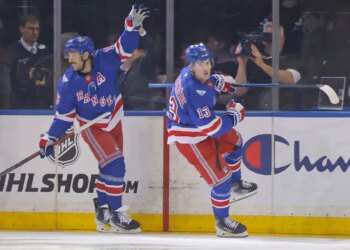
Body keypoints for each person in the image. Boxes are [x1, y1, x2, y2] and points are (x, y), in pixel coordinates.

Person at [38, 4, 150, 233]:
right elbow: (63, 118)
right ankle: (117, 214)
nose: (69, 58)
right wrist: (50, 137)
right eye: (67, 54)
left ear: (86, 54)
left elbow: (125, 48)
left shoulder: (105, 59)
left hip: (114, 119)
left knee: (107, 166)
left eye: (73, 54)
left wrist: (131, 26)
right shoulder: (68, 83)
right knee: (116, 163)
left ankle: (102, 211)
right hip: (93, 127)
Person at [166, 43, 258, 238]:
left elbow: (205, 84)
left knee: (236, 142)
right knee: (220, 181)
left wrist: (216, 81)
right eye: (200, 64)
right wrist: (235, 115)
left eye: (207, 62)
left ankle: (236, 182)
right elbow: (212, 128)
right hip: (191, 138)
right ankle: (222, 222)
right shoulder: (194, 91)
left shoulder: (188, 73)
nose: (205, 67)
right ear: (191, 66)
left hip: (196, 127)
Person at [234, 21, 301, 110]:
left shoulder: (290, 59)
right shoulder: (253, 61)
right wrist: (242, 64)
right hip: (252, 114)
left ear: (282, 39)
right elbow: (240, 91)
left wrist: (262, 64)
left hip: (280, 113)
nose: (270, 40)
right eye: (267, 36)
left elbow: (290, 78)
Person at [6, 14, 53, 109]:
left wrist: (46, 81)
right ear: (21, 29)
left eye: (37, 29)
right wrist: (27, 77)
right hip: (20, 109)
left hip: (43, 107)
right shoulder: (11, 52)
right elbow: (8, 84)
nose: (35, 32)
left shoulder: (44, 51)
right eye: (31, 28)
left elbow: (51, 76)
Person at [118, 26, 159, 110]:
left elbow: (153, 52)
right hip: (122, 114)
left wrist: (142, 32)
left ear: (138, 52)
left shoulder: (143, 66)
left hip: (142, 113)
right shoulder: (117, 70)